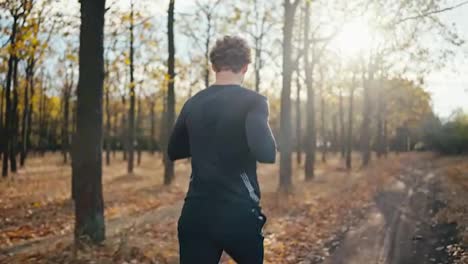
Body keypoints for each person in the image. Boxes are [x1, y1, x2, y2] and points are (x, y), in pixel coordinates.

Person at [168, 35, 277, 264]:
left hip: (196, 214)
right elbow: (266, 153)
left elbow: (174, 150)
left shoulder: (193, 102)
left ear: (213, 66)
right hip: (238, 214)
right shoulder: (253, 102)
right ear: (246, 67)